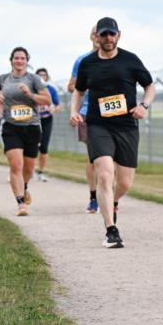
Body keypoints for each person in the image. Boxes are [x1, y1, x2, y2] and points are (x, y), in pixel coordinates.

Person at [71, 17, 156, 248]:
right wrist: (74, 111)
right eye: (104, 34)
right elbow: (78, 91)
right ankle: (111, 230)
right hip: (98, 125)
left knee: (125, 182)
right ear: (96, 36)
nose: (108, 39)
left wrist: (144, 106)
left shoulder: (130, 60)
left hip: (127, 125)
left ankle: (113, 201)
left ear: (119, 34)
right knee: (105, 174)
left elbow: (149, 86)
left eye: (112, 34)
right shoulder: (88, 63)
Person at [0, 47, 51, 215]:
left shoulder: (34, 79)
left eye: (22, 58)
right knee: (16, 165)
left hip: (32, 126)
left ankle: (25, 186)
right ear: (11, 60)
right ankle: (21, 203)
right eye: (16, 58)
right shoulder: (2, 79)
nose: (19, 61)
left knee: (28, 169)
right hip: (10, 126)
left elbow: (47, 100)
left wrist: (30, 94)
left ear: (27, 61)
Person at [69, 28, 101, 213]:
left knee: (110, 160)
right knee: (93, 158)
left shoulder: (116, 58)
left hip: (111, 114)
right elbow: (71, 86)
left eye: (103, 33)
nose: (99, 37)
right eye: (96, 33)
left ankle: (107, 193)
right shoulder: (82, 60)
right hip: (88, 113)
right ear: (91, 37)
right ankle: (93, 196)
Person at [34, 67, 61, 182]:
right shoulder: (31, 89)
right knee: (32, 147)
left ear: (47, 77)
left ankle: (41, 172)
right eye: (39, 75)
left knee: (44, 147)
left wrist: (53, 108)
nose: (41, 77)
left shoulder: (51, 90)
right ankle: (28, 170)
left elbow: (58, 105)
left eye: (43, 75)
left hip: (46, 120)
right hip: (33, 121)